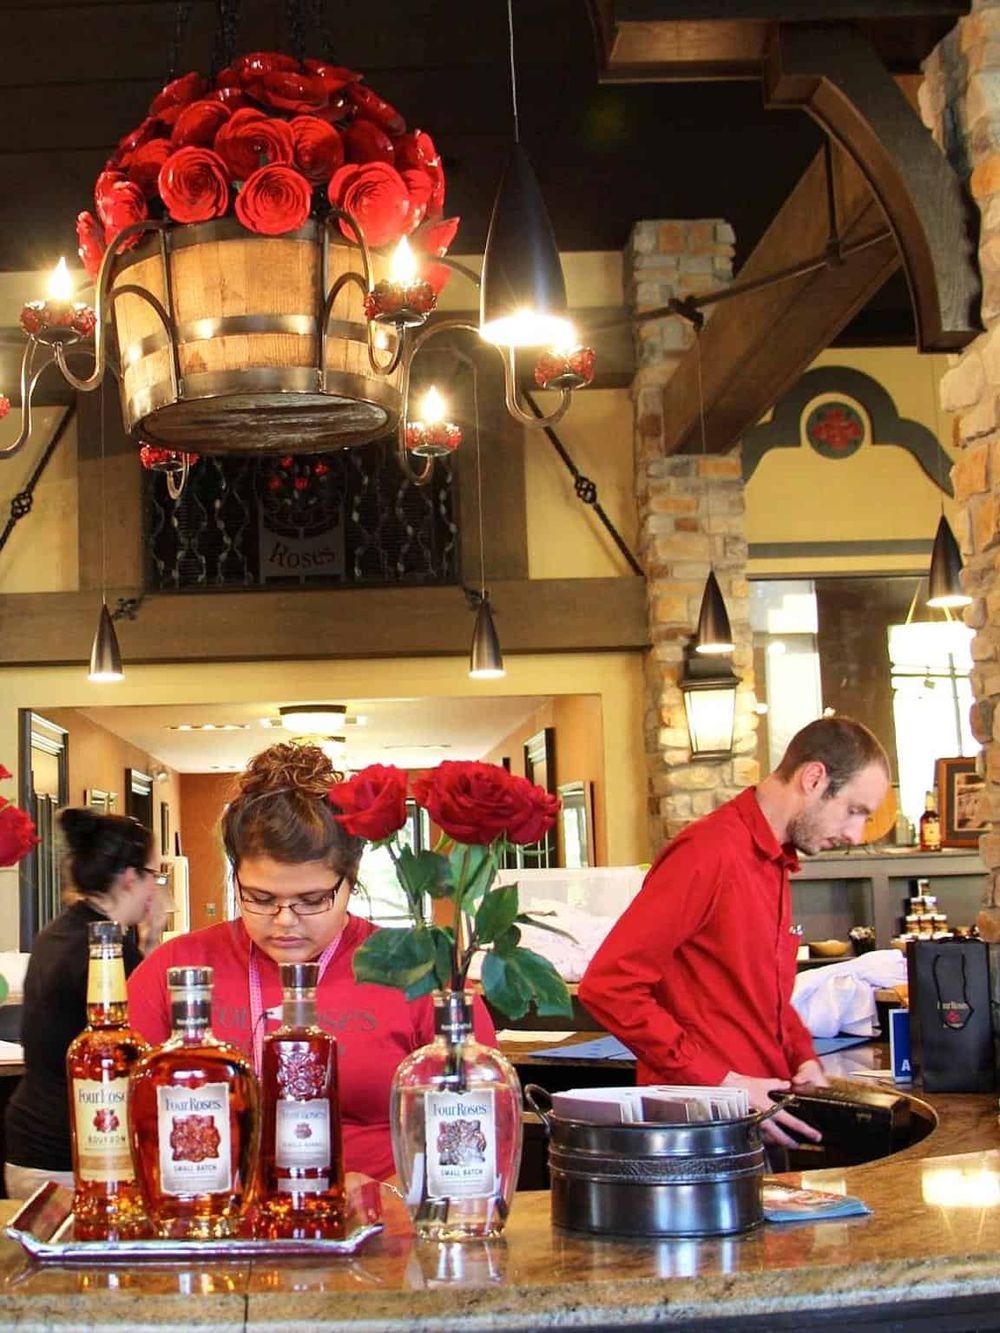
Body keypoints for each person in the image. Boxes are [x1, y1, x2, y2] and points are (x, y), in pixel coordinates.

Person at [127, 743, 496, 1181]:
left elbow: (474, 1130)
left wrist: (394, 1196)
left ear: (351, 880)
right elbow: (127, 1121)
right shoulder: (176, 971)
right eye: (260, 898)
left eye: (312, 900)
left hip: (385, 1208)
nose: (285, 920)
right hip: (215, 1206)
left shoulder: (420, 970)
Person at [579, 716, 891, 1147]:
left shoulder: (776, 860)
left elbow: (762, 998)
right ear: (814, 778)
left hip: (757, 1122)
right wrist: (722, 1082)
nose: (856, 834)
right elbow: (609, 985)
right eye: (854, 811)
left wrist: (802, 1057)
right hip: (699, 1133)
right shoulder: (708, 853)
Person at [4, 809, 159, 1199]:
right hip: (78, 1152)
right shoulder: (108, 952)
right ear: (130, 877)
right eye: (153, 877)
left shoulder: (57, 933)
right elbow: (144, 1048)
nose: (155, 892)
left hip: (30, 1138)